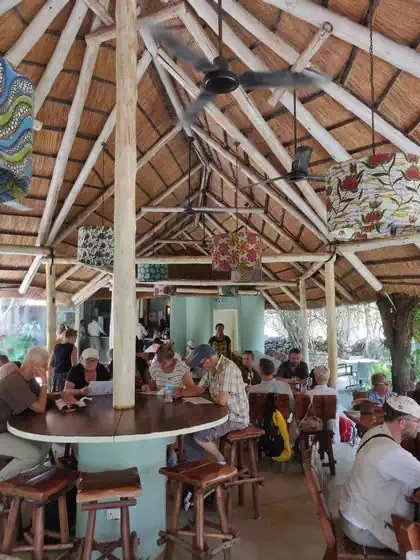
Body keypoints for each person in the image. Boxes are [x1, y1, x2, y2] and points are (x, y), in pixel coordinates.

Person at [339, 396, 420, 553]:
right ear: (402, 423)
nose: (419, 426)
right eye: (417, 421)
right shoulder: (392, 453)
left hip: (351, 513)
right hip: (363, 528)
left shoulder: (374, 432)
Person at [176, 345, 249, 464]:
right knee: (191, 431)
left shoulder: (227, 368)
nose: (200, 368)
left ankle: (220, 459)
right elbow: (198, 389)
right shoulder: (211, 369)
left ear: (209, 359)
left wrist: (207, 396)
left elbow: (221, 400)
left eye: (200, 365)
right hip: (221, 414)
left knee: (200, 435)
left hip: (235, 417)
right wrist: (179, 392)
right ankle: (194, 469)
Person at [0, 347, 50, 480]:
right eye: (44, 365)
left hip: (7, 429)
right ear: (33, 365)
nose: (46, 369)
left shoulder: (27, 379)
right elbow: (40, 407)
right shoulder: (14, 381)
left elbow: (40, 398)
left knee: (45, 441)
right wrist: (45, 381)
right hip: (1, 432)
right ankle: (2, 482)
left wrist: (61, 395)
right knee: (32, 455)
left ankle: (29, 472)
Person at [48, 327, 77, 392]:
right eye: (75, 339)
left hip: (56, 375)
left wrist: (50, 379)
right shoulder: (73, 348)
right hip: (67, 376)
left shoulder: (56, 346)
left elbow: (50, 364)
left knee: (56, 396)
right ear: (72, 337)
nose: (75, 341)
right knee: (65, 397)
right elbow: (74, 366)